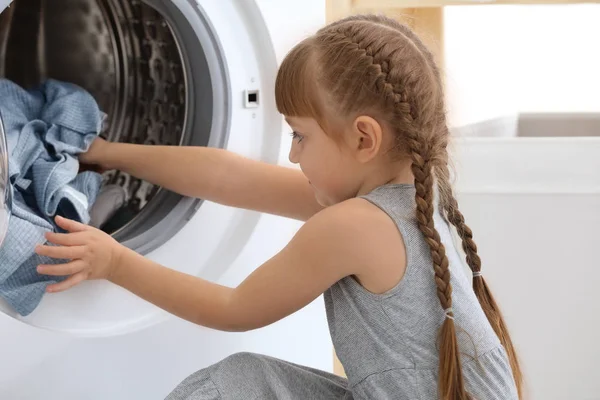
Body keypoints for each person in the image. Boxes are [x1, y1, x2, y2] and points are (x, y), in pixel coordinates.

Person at [35, 14, 522, 400]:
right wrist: (107, 153)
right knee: (251, 381)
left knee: (237, 385)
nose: (292, 154)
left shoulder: (356, 226)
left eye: (300, 135)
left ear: (364, 138)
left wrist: (115, 261)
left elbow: (233, 309)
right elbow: (234, 179)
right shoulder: (405, 194)